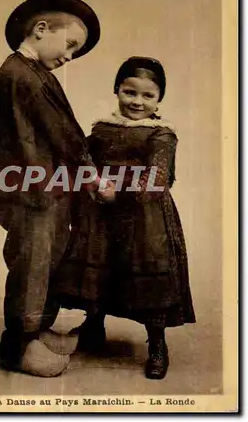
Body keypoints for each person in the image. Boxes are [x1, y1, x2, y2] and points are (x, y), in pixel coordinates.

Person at [0, 0, 115, 377]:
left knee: (48, 254)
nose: (71, 56)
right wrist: (93, 177)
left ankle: (39, 329)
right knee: (33, 261)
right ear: (40, 30)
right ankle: (19, 346)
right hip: (30, 189)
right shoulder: (23, 76)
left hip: (42, 185)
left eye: (77, 52)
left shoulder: (32, 73)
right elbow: (64, 134)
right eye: (70, 45)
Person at [55, 56, 196, 380]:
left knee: (145, 273)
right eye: (130, 92)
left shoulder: (161, 134)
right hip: (101, 214)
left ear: (159, 98)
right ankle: (94, 325)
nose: (137, 101)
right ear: (117, 89)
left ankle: (158, 345)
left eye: (148, 95)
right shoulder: (103, 127)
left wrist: (119, 194)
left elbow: (158, 178)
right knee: (101, 266)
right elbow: (84, 156)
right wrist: (89, 178)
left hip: (142, 217)